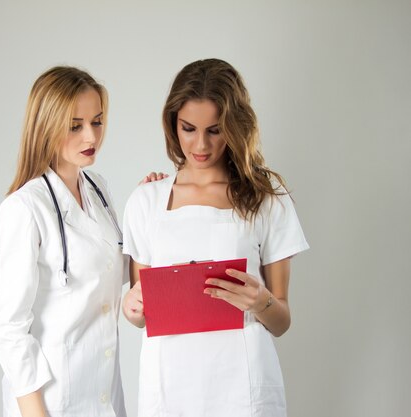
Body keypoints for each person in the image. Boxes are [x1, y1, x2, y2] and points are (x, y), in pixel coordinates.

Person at [121, 59, 309, 417]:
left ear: (235, 128)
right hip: (169, 387)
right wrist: (131, 307)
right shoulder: (146, 201)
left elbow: (282, 320)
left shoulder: (267, 198)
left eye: (215, 130)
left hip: (243, 388)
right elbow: (142, 314)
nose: (201, 144)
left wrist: (260, 300)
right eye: (188, 128)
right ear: (172, 123)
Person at [0, 66, 165, 417]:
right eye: (75, 125)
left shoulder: (98, 189)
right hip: (51, 401)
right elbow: (9, 329)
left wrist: (149, 208)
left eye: (97, 122)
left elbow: (113, 274)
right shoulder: (24, 208)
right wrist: (35, 412)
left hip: (103, 395)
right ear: (47, 126)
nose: (91, 137)